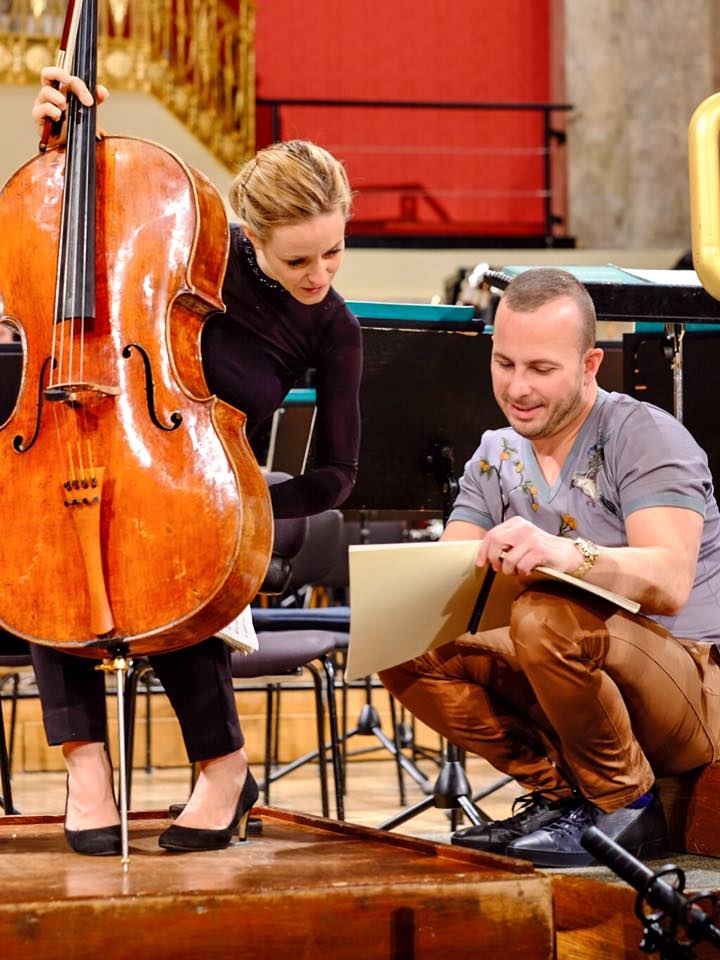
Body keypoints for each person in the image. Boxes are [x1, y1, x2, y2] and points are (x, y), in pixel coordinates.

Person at [27, 68, 362, 855]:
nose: (319, 275)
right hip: (118, 452)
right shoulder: (188, 244)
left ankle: (222, 769)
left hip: (224, 491)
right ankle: (85, 766)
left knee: (180, 548)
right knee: (48, 543)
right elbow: (75, 234)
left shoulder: (333, 326)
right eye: (298, 261)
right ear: (252, 235)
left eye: (335, 251)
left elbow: (340, 474)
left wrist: (242, 506)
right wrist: (61, 151)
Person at [380, 267, 720, 868]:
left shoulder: (644, 435)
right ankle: (560, 796)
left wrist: (568, 555)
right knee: (403, 637)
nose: (518, 388)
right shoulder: (496, 453)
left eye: (541, 369)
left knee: (545, 616)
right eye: (504, 363)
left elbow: (670, 581)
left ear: (590, 365)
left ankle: (628, 806)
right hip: (573, 669)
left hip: (693, 681)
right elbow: (444, 589)